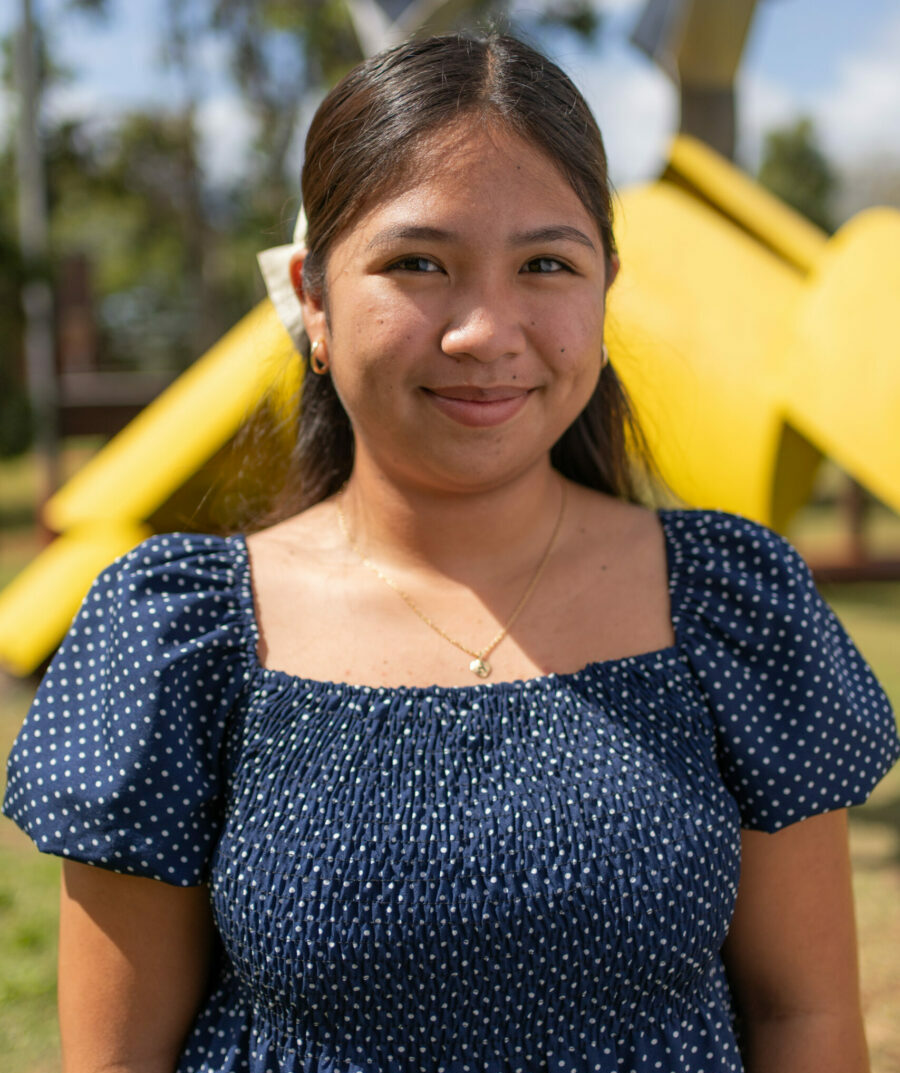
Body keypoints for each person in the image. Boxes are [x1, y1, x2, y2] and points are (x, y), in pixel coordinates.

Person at [4, 31, 899, 1073]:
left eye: (546, 265)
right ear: (312, 298)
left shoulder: (732, 602)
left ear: (606, 291)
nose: (486, 331)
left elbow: (806, 1019)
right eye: (418, 263)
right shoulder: (179, 636)